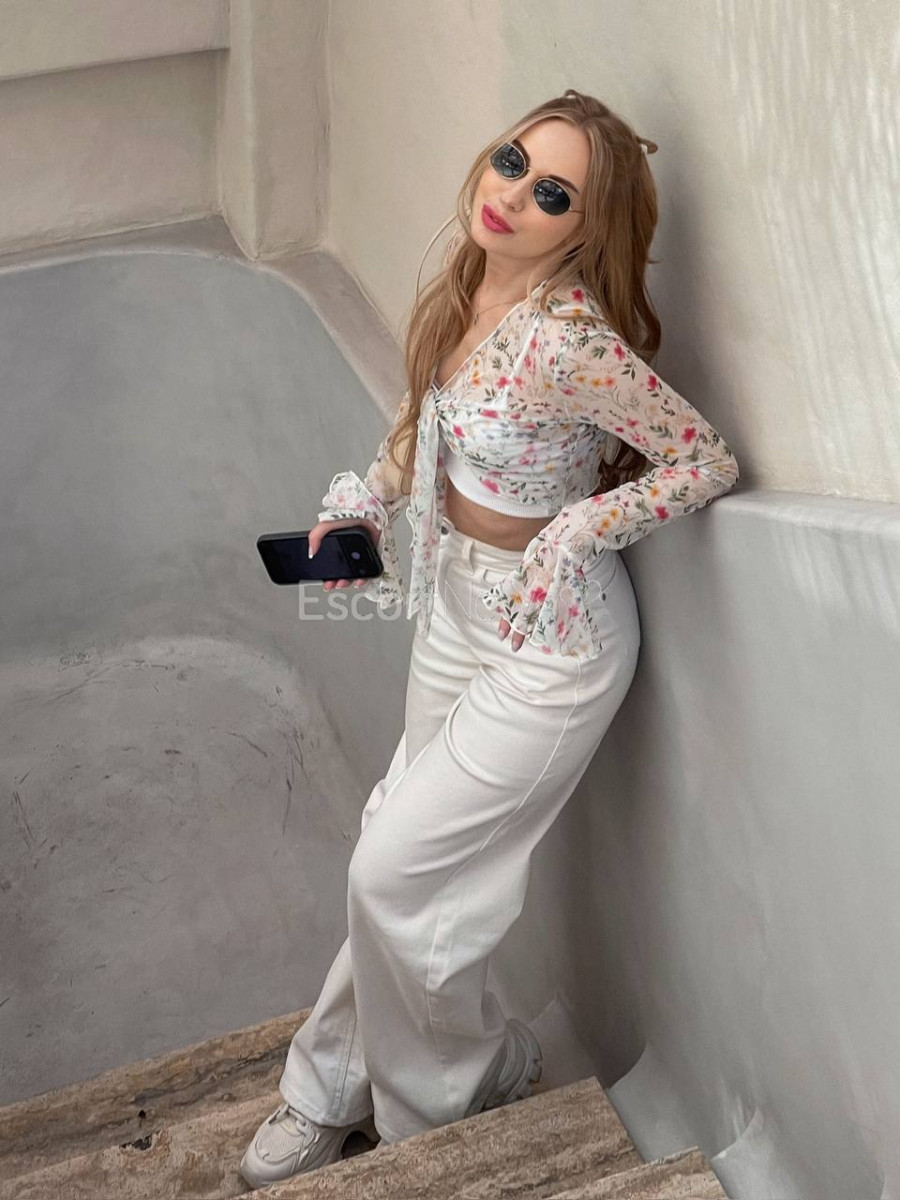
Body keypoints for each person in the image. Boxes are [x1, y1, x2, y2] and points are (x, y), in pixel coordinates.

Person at [240, 88, 739, 1188]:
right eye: (513, 161)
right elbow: (426, 426)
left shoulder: (569, 341)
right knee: (394, 845)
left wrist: (576, 529)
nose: (513, 194)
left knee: (392, 875)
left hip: (554, 644)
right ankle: (329, 1084)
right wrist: (364, 500)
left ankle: (444, 1111)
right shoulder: (467, 284)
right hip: (455, 606)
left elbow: (705, 460)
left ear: (585, 230)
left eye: (552, 193)